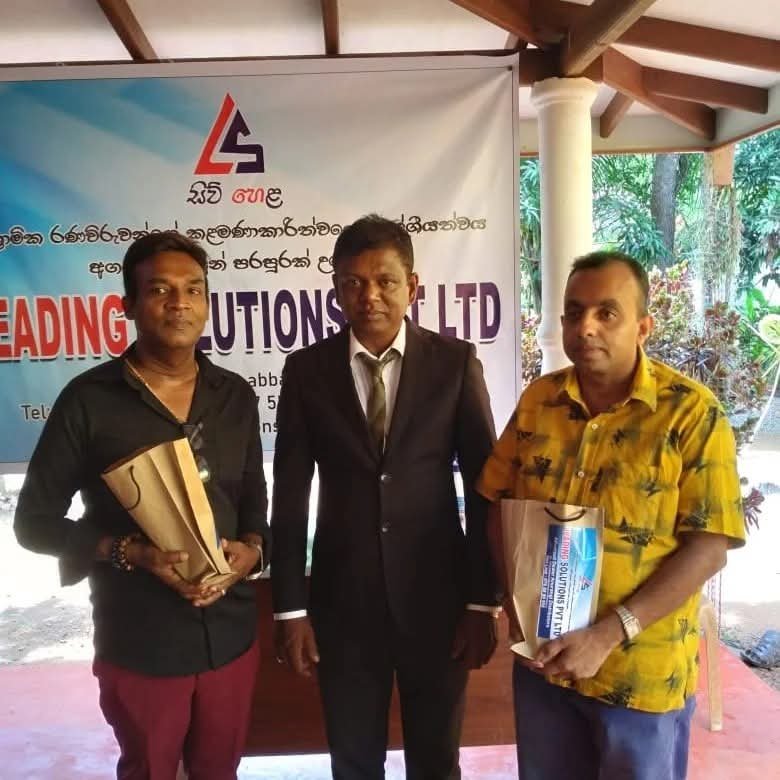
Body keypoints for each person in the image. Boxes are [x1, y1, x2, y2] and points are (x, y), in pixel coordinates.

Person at [477, 251, 746, 780]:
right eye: (574, 312)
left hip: (639, 680)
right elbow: (497, 502)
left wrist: (607, 635)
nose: (586, 327)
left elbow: (710, 547)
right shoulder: (540, 401)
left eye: (607, 313)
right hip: (545, 670)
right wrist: (514, 602)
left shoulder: (691, 414)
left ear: (643, 326)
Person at [14, 231, 270, 780]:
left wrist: (252, 550)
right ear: (128, 305)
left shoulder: (235, 395)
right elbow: (33, 524)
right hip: (140, 640)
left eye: (193, 289)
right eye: (159, 290)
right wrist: (128, 552)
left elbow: (253, 500)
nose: (179, 303)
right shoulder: (88, 401)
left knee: (220, 772)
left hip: (230, 634)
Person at [271, 214, 499, 779]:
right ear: (336, 289)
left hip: (439, 603)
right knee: (352, 762)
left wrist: (482, 602)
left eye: (385, 281)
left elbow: (485, 488)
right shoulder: (306, 371)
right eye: (353, 282)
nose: (369, 295)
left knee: (437, 760)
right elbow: (291, 494)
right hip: (342, 606)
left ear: (412, 286)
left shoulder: (454, 363)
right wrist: (291, 609)